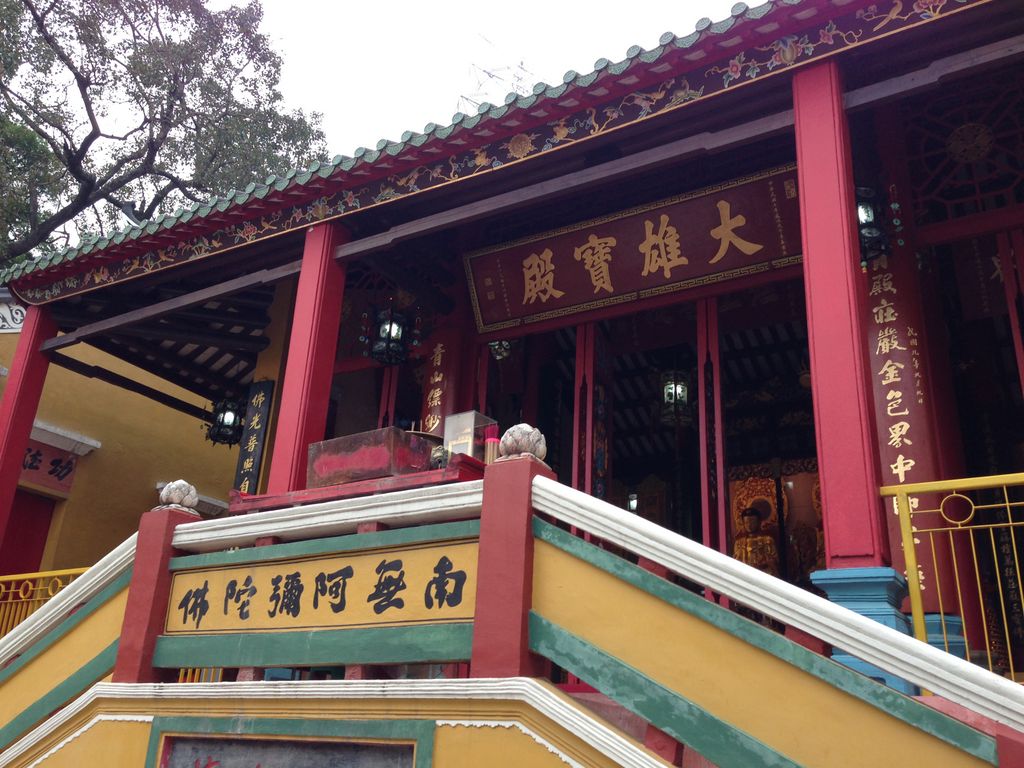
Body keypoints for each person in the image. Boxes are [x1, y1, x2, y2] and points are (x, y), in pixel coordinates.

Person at [733, 506, 780, 577]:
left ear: (759, 522)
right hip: (745, 575)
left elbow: (774, 561)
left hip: (763, 574)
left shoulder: (767, 540)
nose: (749, 525)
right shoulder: (739, 543)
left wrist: (763, 564)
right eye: (746, 522)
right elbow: (736, 562)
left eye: (752, 522)